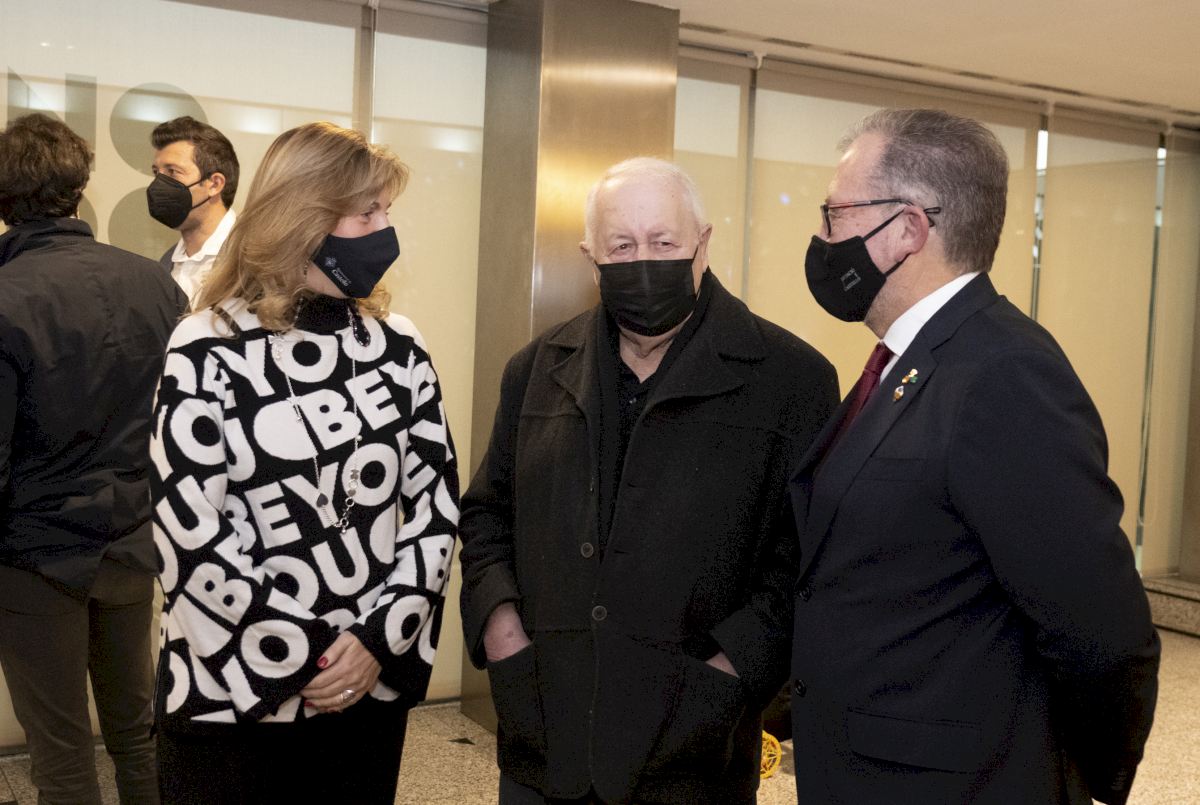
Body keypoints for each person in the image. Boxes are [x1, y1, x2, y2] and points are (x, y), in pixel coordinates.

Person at [789, 108, 1160, 805]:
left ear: (907, 229)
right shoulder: (914, 360)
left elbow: (1098, 622)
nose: (823, 237)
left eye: (835, 214)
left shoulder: (1003, 372)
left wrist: (1076, 776)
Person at [459, 157, 838, 804]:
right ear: (591, 258)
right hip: (546, 733)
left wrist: (730, 668)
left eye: (663, 243)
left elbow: (804, 556)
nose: (643, 262)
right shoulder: (535, 368)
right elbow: (488, 513)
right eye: (622, 246)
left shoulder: (792, 380)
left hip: (695, 748)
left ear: (702, 243)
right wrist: (501, 629)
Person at [150, 121, 458, 804]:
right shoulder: (204, 346)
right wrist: (304, 652)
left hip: (366, 686)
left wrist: (376, 641)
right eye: (368, 212)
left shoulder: (400, 347)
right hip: (229, 694)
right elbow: (185, 528)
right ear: (302, 216)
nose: (385, 231)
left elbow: (435, 507)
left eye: (386, 211)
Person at [0, 113, 186, 804]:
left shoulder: (6, 297)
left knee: (61, 750)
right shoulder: (157, 286)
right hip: (133, 540)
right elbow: (179, 430)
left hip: (34, 557)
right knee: (137, 732)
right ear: (79, 187)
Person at [148, 116, 239, 300]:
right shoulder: (166, 264)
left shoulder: (253, 261)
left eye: (172, 172)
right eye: (156, 172)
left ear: (214, 184)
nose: (158, 184)